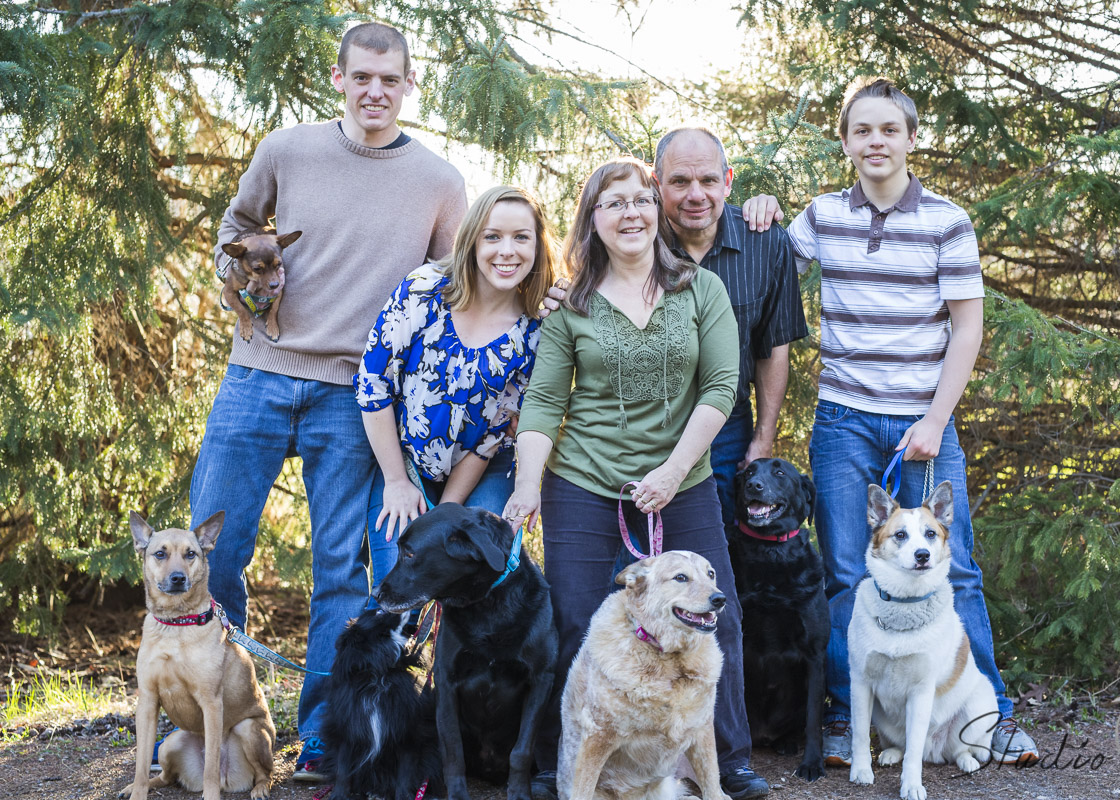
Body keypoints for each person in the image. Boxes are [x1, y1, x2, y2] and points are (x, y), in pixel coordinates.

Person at [191, 21, 467, 782]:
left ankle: (321, 737)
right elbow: (235, 228)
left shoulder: (440, 182)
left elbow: (453, 288)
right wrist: (239, 289)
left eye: (391, 79)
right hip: (256, 372)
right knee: (212, 554)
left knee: (340, 571)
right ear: (339, 79)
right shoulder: (287, 149)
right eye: (362, 77)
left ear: (411, 85)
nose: (376, 90)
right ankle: (214, 725)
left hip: (354, 394)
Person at [751, 76, 1039, 767]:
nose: (875, 142)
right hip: (843, 423)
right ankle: (855, 718)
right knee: (850, 571)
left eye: (889, 130)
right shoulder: (821, 217)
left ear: (912, 139)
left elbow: (966, 331)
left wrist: (937, 420)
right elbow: (762, 269)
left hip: (923, 423)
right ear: (846, 142)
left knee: (955, 565)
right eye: (862, 131)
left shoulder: (947, 220)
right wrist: (756, 209)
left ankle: (988, 717)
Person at [503, 157, 768, 800]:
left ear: (657, 212)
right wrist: (527, 484)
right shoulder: (573, 305)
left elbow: (723, 385)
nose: (630, 212)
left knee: (714, 617)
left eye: (641, 200)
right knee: (574, 621)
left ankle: (723, 762)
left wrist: (673, 473)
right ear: (592, 220)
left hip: (685, 478)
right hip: (585, 484)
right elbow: (543, 403)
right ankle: (562, 765)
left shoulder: (700, 290)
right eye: (613, 202)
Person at [355, 185, 560, 597]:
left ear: (537, 247)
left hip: (480, 464)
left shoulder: (535, 331)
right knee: (399, 585)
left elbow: (493, 435)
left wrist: (447, 512)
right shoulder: (425, 290)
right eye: (493, 236)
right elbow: (373, 385)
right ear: (471, 241)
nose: (508, 251)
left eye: (521, 237)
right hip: (404, 462)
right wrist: (396, 481)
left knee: (485, 580)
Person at [653, 127, 807, 528]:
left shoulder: (767, 242)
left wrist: (762, 438)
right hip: (643, 424)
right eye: (680, 181)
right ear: (657, 184)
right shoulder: (634, 240)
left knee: (717, 553)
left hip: (725, 428)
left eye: (707, 180)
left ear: (728, 180)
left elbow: (772, 349)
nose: (696, 194)